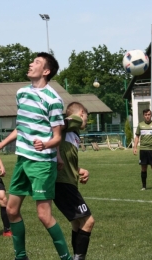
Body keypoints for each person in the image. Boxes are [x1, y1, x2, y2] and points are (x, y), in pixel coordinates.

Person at [0, 52, 72, 260]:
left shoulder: (53, 100)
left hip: (42, 164)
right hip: (22, 161)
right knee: (11, 210)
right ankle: (21, 257)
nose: (30, 64)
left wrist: (46, 145)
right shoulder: (21, 93)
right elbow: (21, 127)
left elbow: (57, 137)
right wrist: (1, 143)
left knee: (44, 216)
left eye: (36, 62)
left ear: (46, 71)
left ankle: (66, 258)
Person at [54, 102, 95, 260]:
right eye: (86, 117)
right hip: (63, 183)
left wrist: (79, 170)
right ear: (82, 113)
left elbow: (66, 158)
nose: (85, 121)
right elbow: (62, 123)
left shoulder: (73, 134)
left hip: (66, 182)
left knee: (77, 224)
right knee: (89, 221)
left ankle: (76, 257)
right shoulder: (75, 121)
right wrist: (59, 123)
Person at [133, 108, 152, 190]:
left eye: (149, 114)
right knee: (143, 167)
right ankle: (144, 186)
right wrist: (135, 147)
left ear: (151, 115)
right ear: (143, 116)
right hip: (143, 149)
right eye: (145, 115)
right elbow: (137, 136)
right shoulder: (140, 125)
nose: (147, 116)